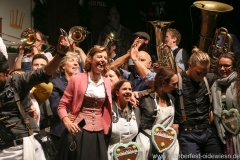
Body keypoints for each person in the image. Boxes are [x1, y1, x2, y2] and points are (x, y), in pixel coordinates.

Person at [0, 35, 70, 160]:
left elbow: (43, 73)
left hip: (23, 147)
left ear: (6, 72)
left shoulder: (17, 81)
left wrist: (60, 54)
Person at [56, 46, 112, 160]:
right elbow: (62, 106)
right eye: (99, 56)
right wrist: (67, 122)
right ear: (90, 59)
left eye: (105, 58)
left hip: (98, 131)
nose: (103, 60)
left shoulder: (107, 82)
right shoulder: (76, 79)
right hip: (79, 128)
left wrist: (135, 95)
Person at [172, 47, 223, 159]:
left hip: (208, 131)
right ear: (190, 65)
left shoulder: (209, 79)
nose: (202, 76)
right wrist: (138, 94)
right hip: (187, 133)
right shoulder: (177, 80)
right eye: (199, 72)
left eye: (205, 72)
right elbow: (159, 89)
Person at [135, 67, 179, 160]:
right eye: (174, 84)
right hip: (147, 141)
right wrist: (133, 94)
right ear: (163, 83)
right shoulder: (144, 97)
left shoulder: (171, 99)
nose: (176, 87)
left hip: (167, 140)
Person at [211, 53, 240, 159]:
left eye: (226, 66)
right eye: (220, 66)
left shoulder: (238, 83)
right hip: (222, 133)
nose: (222, 69)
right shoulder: (215, 85)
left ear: (235, 67)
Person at [49, 51, 80, 149]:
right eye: (72, 61)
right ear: (62, 66)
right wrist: (66, 115)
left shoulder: (84, 83)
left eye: (77, 61)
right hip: (61, 130)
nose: (76, 63)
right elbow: (55, 106)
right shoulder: (55, 83)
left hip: (81, 129)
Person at [107, 79, 140, 160]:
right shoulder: (109, 109)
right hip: (111, 154)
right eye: (124, 89)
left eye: (130, 89)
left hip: (131, 154)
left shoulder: (136, 110)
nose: (128, 91)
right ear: (117, 92)